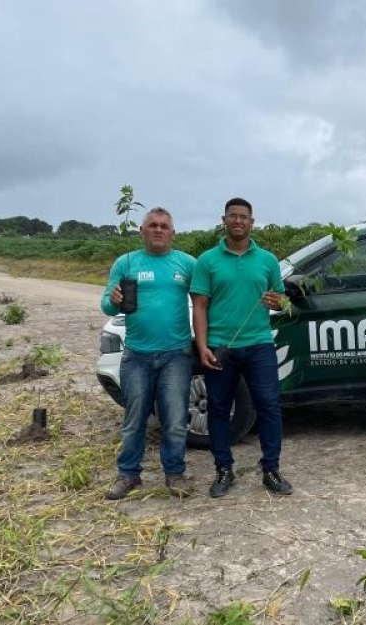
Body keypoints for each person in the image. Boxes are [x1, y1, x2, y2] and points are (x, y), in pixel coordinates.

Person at [190, 197, 293, 497]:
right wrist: (201, 346)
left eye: (243, 217)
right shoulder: (207, 261)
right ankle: (223, 470)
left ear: (252, 221)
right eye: (232, 216)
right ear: (223, 220)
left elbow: (283, 301)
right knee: (219, 409)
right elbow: (199, 306)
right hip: (221, 346)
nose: (238, 221)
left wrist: (279, 302)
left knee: (270, 407)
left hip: (259, 343)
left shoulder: (268, 260)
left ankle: (271, 470)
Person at [100, 207, 196, 499]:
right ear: (141, 231)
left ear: (173, 233)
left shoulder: (187, 263)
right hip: (137, 355)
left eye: (164, 226)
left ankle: (175, 474)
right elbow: (106, 305)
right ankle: (128, 475)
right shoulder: (126, 262)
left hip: (177, 355)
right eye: (152, 225)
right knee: (134, 419)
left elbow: (206, 301)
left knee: (176, 418)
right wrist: (114, 299)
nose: (158, 230)